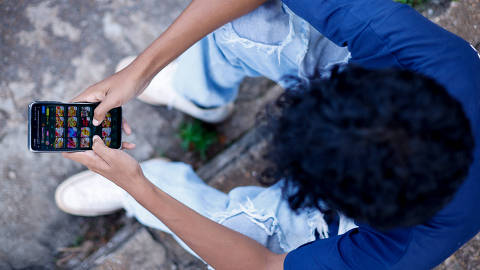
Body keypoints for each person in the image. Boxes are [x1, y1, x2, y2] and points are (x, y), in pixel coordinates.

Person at [55, 0, 480, 269]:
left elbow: (260, 267)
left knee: (238, 243)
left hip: (351, 222)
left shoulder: (405, 249)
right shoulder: (422, 54)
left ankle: (147, 188)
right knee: (250, 19)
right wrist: (139, 71)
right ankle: (196, 91)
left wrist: (138, 186)